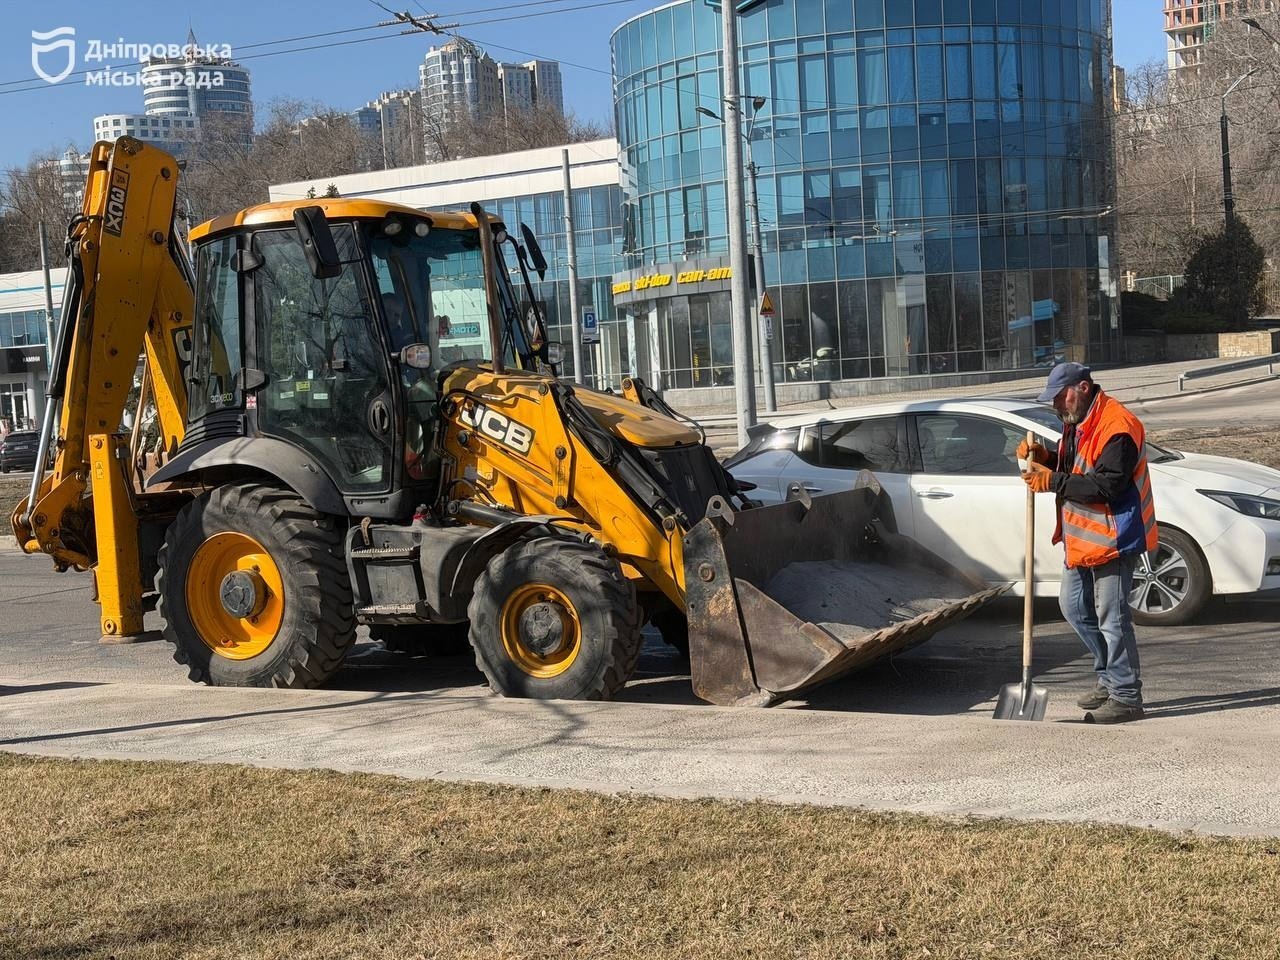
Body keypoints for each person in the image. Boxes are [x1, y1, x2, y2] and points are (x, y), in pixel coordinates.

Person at [1019, 361, 1158, 724]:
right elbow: (1075, 464)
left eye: (1060, 397)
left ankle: (1126, 696)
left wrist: (1052, 482)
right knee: (1075, 608)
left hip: (1114, 536)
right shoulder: (1079, 422)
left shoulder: (1118, 427)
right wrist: (1046, 458)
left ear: (1082, 388)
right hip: (1083, 540)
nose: (1056, 406)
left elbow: (1107, 485)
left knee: (1112, 618)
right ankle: (1109, 677)